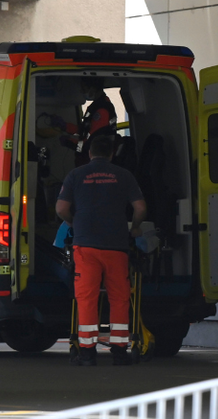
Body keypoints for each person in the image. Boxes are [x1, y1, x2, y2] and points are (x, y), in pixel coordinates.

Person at [56, 134, 146, 366]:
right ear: (112, 154)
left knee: (86, 298)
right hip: (116, 245)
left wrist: (74, 223)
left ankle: (87, 353)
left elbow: (61, 208)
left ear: (89, 154)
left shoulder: (76, 174)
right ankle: (118, 352)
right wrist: (134, 227)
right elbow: (140, 207)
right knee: (120, 298)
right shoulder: (124, 175)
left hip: (86, 246)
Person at [50, 77, 118, 166]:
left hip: (94, 163)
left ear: (93, 88)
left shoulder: (101, 110)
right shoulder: (96, 106)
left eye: (84, 88)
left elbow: (89, 143)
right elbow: (85, 130)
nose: (82, 91)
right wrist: (65, 126)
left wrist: (69, 142)